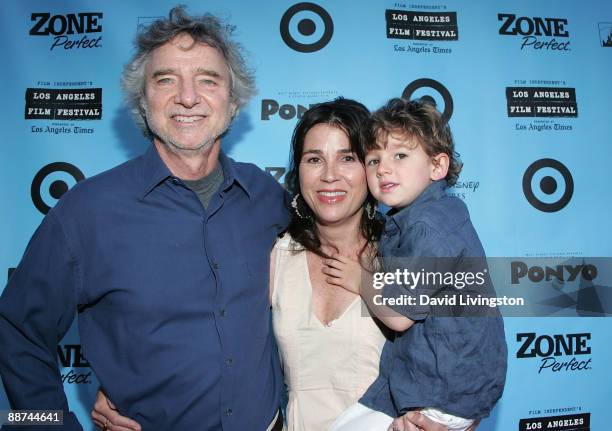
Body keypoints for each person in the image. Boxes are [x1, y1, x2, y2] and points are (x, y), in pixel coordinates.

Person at [91, 99, 463, 431]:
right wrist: (127, 384)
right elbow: (202, 328)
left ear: (371, 167)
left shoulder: (413, 249)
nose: (329, 174)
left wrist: (460, 421)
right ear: (298, 171)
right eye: (314, 158)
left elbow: (476, 344)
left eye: (347, 157)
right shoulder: (277, 254)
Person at [0, 7, 288, 431]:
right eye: (166, 79)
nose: (188, 97)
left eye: (208, 80)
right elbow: (16, 332)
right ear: (142, 100)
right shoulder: (86, 212)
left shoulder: (267, 198)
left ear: (233, 101)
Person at [327, 98, 507, 431]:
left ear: (438, 167)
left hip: (443, 395)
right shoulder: (412, 219)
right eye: (373, 160)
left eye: (400, 155)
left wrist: (359, 278)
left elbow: (398, 317)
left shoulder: (430, 225)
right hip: (414, 382)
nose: (382, 169)